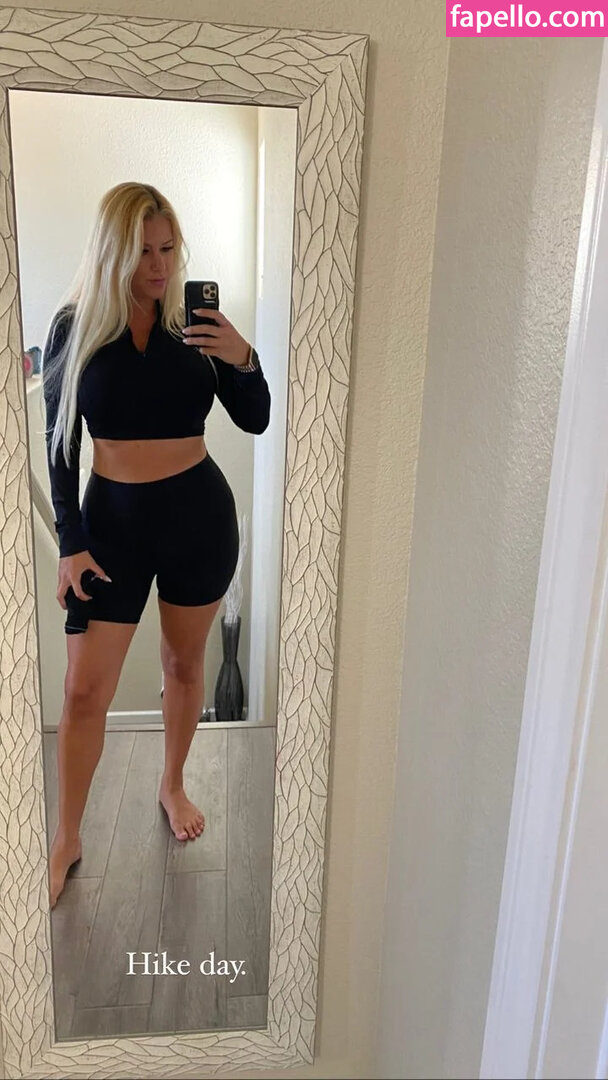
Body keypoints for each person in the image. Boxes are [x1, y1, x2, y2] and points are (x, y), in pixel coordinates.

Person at [42, 182, 271, 909]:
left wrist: (243, 357)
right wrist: (70, 541)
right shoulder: (76, 327)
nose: (160, 266)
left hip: (198, 520)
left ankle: (172, 784)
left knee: (183, 664)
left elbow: (256, 418)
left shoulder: (193, 325)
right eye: (143, 251)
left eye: (169, 249)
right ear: (113, 252)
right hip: (109, 530)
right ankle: (68, 835)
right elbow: (61, 446)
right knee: (84, 690)